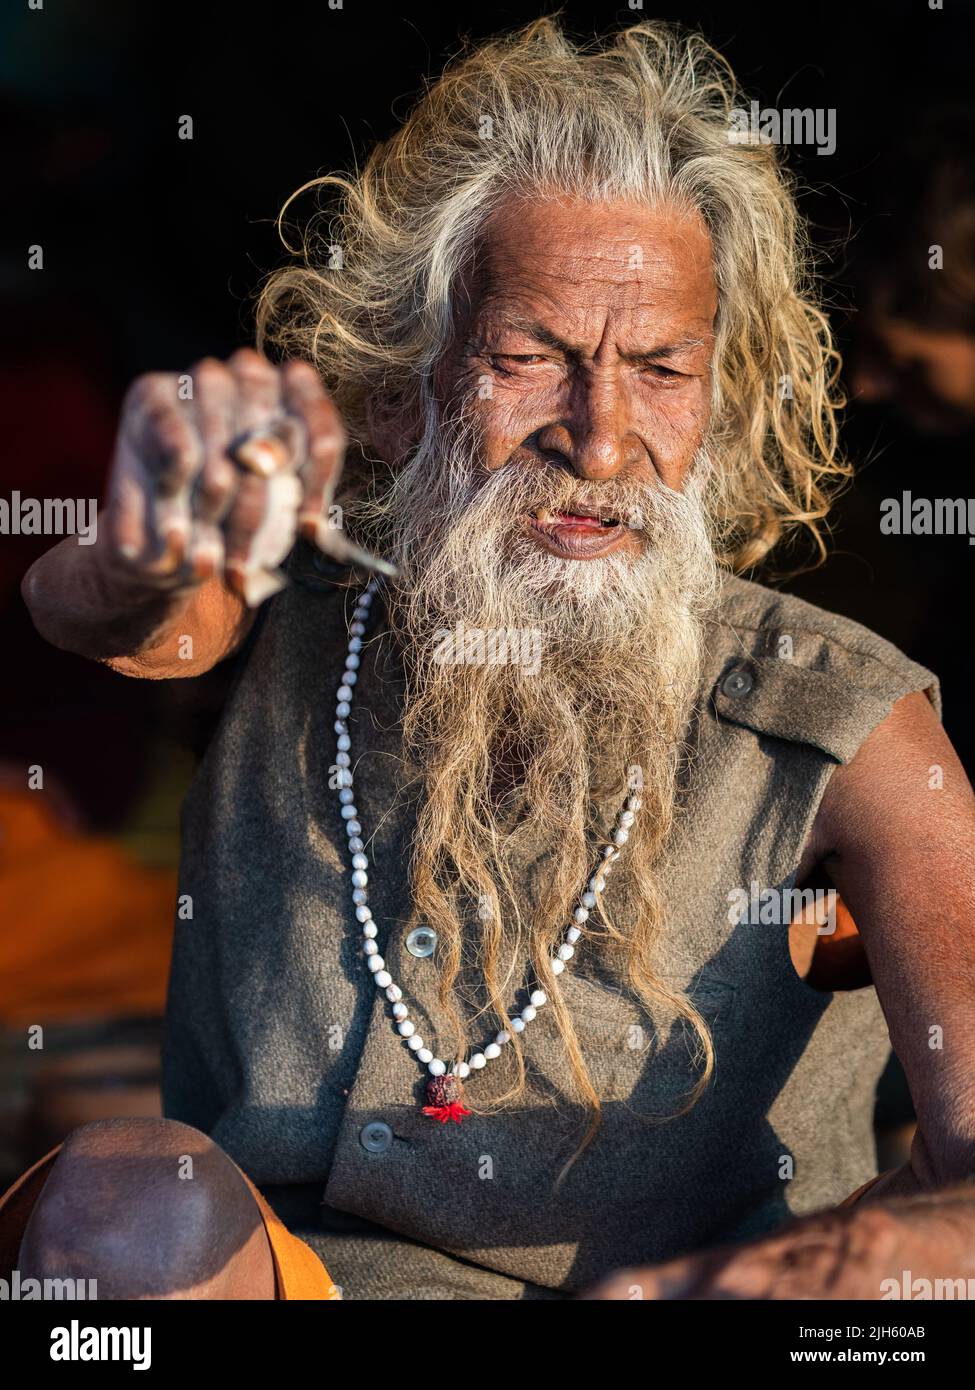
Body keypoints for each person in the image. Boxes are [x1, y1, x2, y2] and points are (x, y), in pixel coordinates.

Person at [6, 19, 975, 1300]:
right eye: (531, 358)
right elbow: (105, 611)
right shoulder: (296, 598)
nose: (603, 435)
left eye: (662, 368)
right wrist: (142, 539)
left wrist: (855, 1260)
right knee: (122, 1208)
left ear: (717, 403)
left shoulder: (847, 723)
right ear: (401, 386)